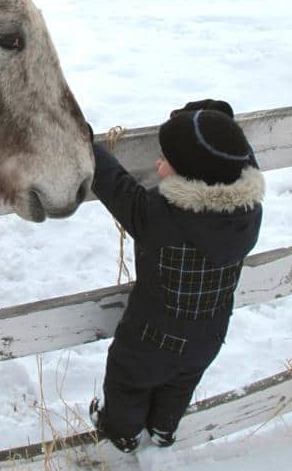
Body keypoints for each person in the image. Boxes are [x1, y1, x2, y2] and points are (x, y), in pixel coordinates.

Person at [88, 99, 264, 453]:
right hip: (210, 335)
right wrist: (211, 123)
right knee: (180, 387)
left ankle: (122, 434)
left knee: (127, 385)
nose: (158, 163)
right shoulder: (250, 214)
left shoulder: (155, 216)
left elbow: (111, 181)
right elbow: (239, 159)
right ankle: (164, 430)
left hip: (149, 341)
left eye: (166, 161)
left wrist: (82, 141)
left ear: (189, 174)